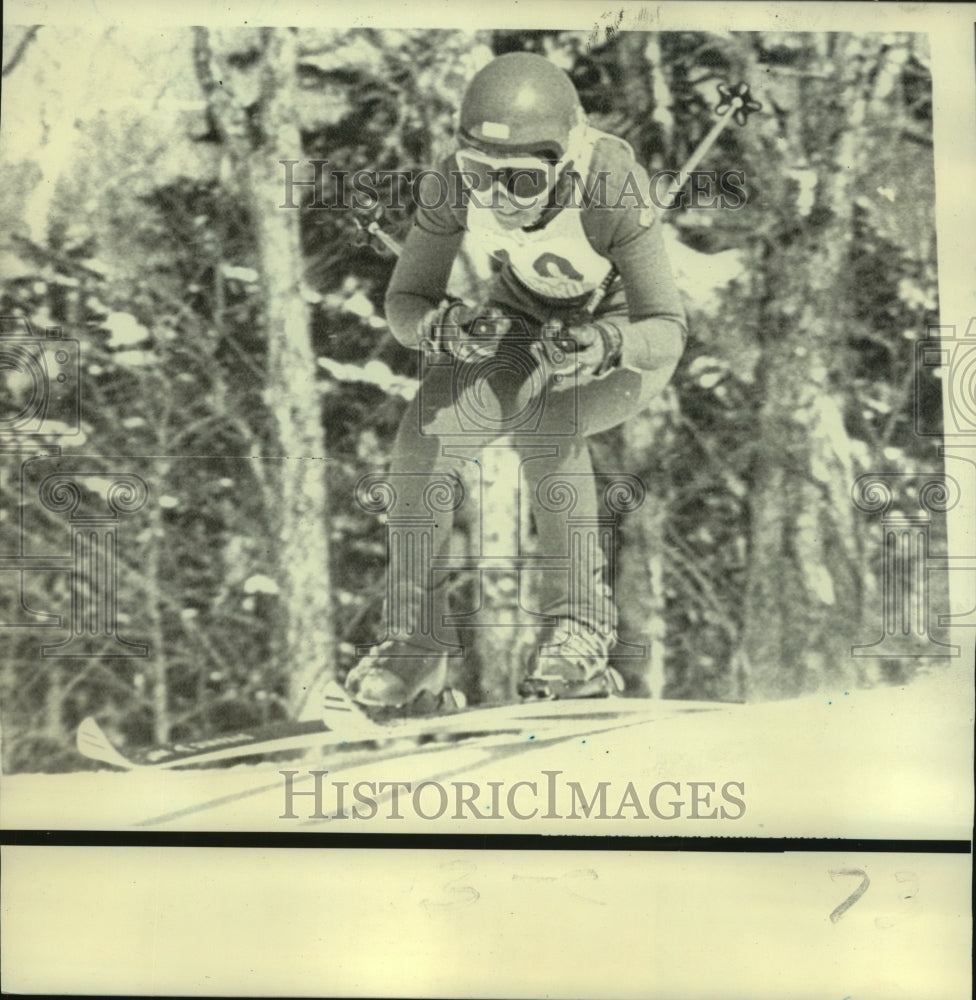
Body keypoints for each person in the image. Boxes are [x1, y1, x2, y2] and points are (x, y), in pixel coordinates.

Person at [345, 51, 686, 710]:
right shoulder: (450, 186)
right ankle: (417, 643)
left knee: (548, 421)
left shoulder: (611, 185)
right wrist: (443, 327)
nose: (498, 199)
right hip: (523, 318)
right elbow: (405, 302)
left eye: (523, 183)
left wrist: (608, 342)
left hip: (623, 338)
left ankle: (579, 635)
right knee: (427, 441)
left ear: (562, 164)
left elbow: (667, 328)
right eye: (481, 174)